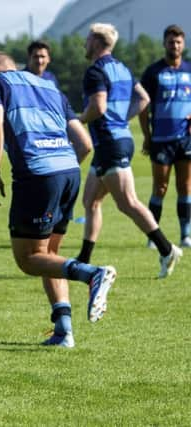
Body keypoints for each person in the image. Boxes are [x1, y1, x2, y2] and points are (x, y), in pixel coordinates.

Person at [0, 51, 116, 348]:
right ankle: (64, 331)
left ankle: (93, 274)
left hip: (37, 175)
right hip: (68, 171)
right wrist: (61, 169)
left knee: (28, 260)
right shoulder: (49, 87)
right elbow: (84, 143)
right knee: (50, 255)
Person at [75, 23, 182, 278]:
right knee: (91, 200)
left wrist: (78, 121)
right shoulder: (121, 68)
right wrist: (122, 117)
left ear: (98, 42)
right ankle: (83, 259)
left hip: (111, 143)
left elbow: (98, 107)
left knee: (128, 203)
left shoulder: (95, 71)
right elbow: (143, 99)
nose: (84, 44)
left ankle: (167, 249)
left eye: (88, 39)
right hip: (111, 143)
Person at [139, 25, 191, 249]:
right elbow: (142, 105)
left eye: (178, 42)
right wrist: (147, 135)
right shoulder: (153, 72)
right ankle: (153, 236)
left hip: (186, 138)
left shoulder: (190, 70)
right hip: (161, 139)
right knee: (159, 187)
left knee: (185, 186)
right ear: (164, 44)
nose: (175, 45)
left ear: (183, 45)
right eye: (171, 42)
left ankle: (186, 235)